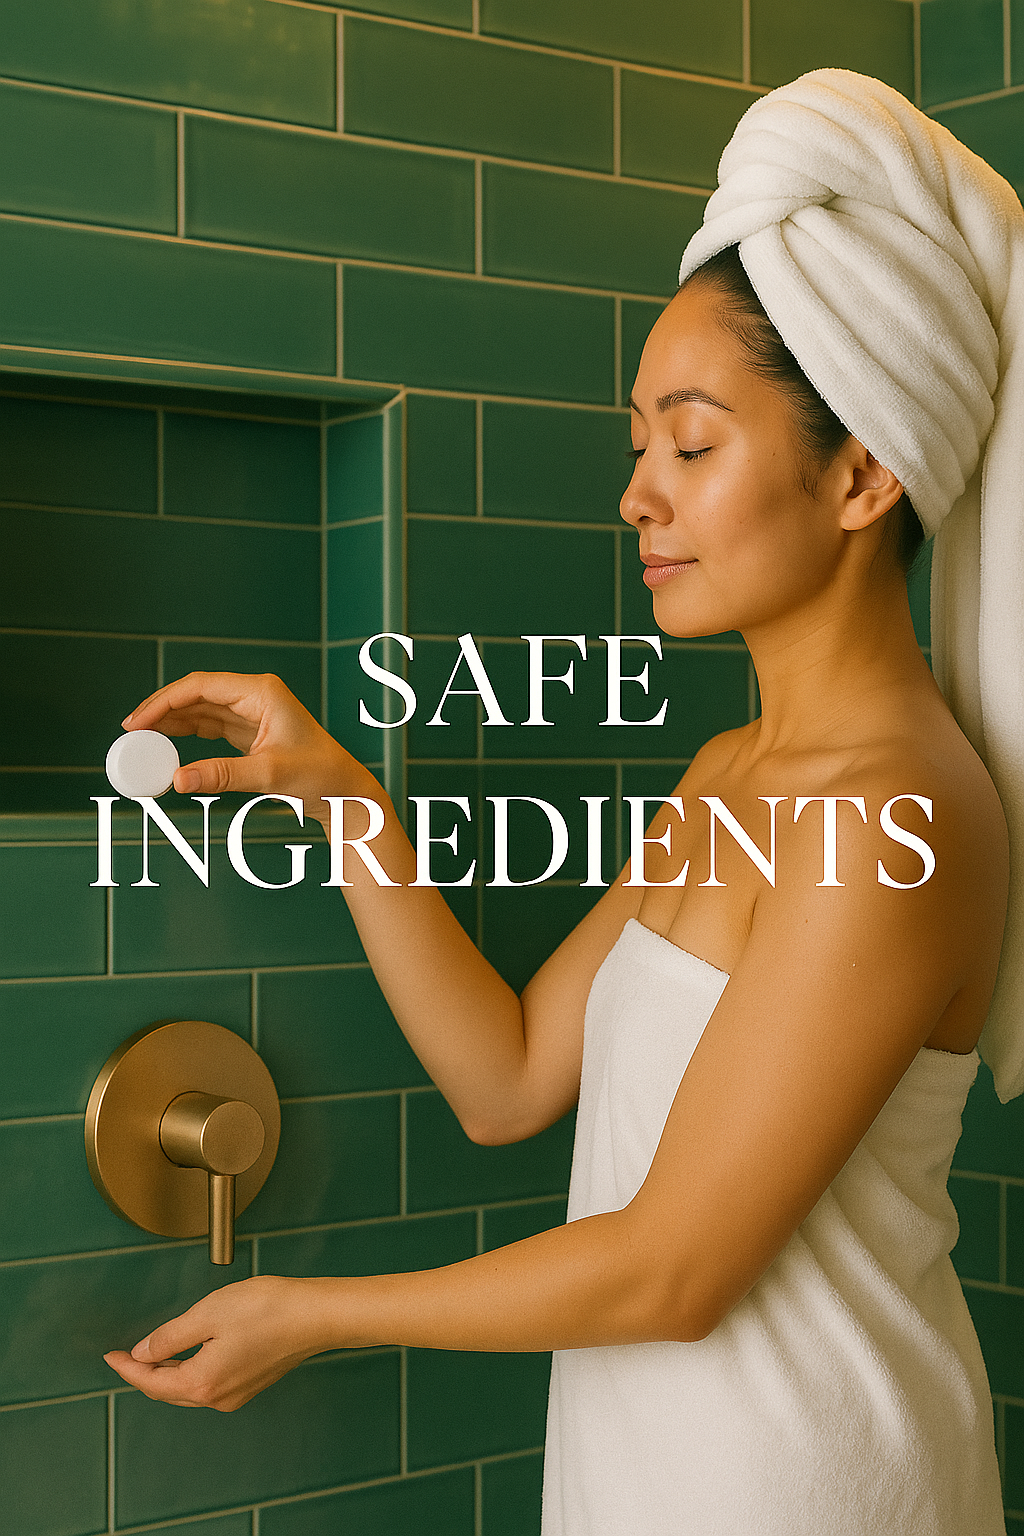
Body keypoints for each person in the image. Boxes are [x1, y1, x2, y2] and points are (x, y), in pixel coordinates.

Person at [104, 70, 1023, 1534]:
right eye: (637, 442)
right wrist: (343, 796)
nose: (638, 497)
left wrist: (317, 1314)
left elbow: (672, 1268)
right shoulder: (735, 777)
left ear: (860, 476)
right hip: (652, 1477)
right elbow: (509, 1079)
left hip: (809, 1490)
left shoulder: (898, 812)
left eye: (694, 442)